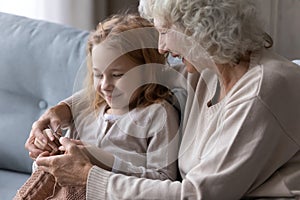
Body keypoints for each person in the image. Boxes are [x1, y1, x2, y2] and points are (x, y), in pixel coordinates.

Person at [26, 0, 300, 199]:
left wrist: (87, 176)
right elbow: (132, 80)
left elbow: (198, 196)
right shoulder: (206, 70)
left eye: (166, 32)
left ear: (199, 28)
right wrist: (61, 111)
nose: (161, 48)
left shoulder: (261, 91)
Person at [22, 14, 181, 198]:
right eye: (98, 75)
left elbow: (163, 181)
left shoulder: (158, 115)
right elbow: (50, 179)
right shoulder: (85, 110)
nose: (105, 85)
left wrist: (102, 161)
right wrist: (47, 155)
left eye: (117, 75)